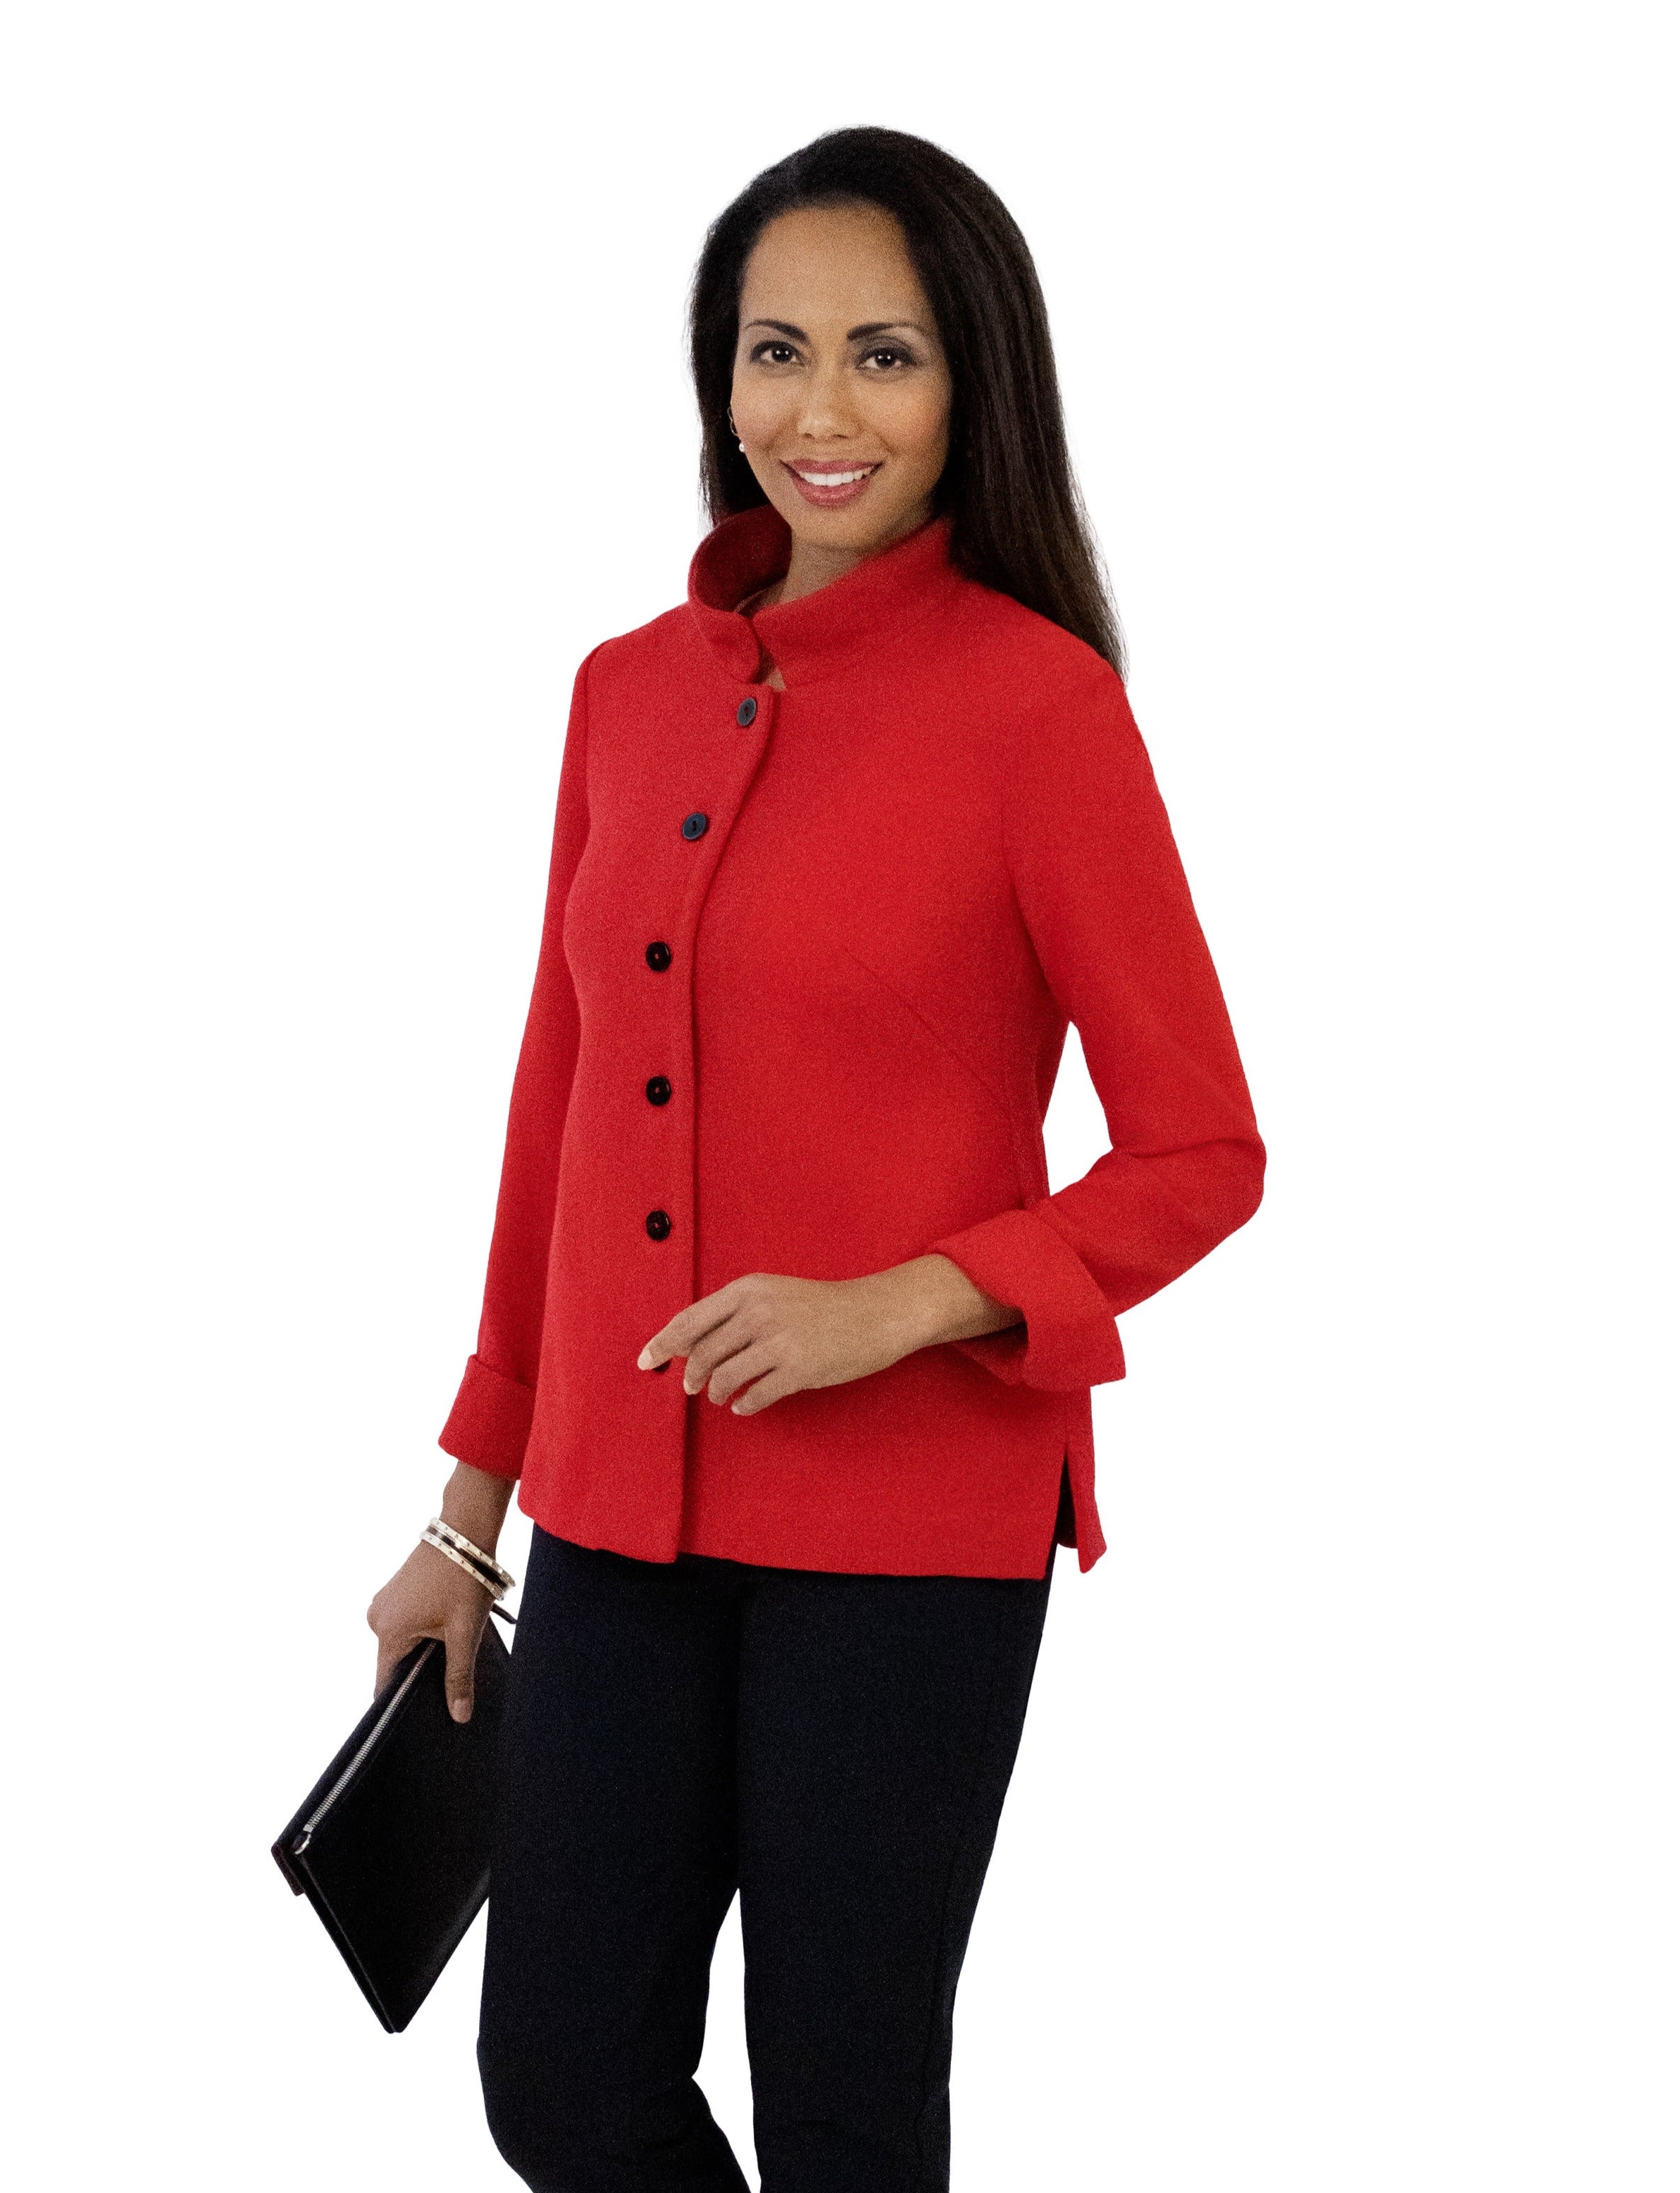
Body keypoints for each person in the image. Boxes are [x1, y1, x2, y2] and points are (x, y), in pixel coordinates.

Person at [368, 124, 1264, 2192]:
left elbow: (1203, 1148)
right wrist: (467, 1514)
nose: (821, 411)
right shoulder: (622, 696)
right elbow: (557, 1109)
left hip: (913, 1531)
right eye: (777, 351)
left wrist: (910, 1301)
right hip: (617, 1503)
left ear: (973, 384)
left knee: (847, 2114)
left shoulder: (1042, 711)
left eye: (886, 354)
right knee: (559, 2075)